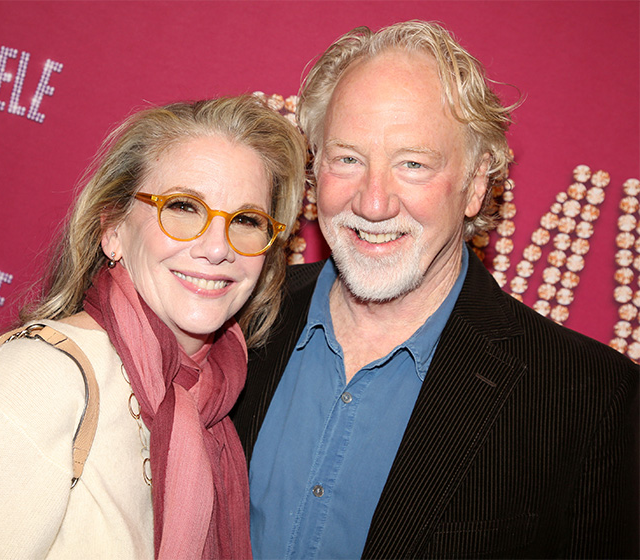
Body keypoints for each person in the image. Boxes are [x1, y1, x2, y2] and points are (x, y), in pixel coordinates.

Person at [231, 21, 639, 559]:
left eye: (413, 164)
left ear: (475, 185)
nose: (373, 203)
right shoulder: (236, 318)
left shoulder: (591, 399)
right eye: (347, 158)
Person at [0, 95, 306, 559]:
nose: (218, 248)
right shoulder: (39, 382)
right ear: (113, 229)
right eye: (184, 207)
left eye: (247, 220)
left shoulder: (213, 400)